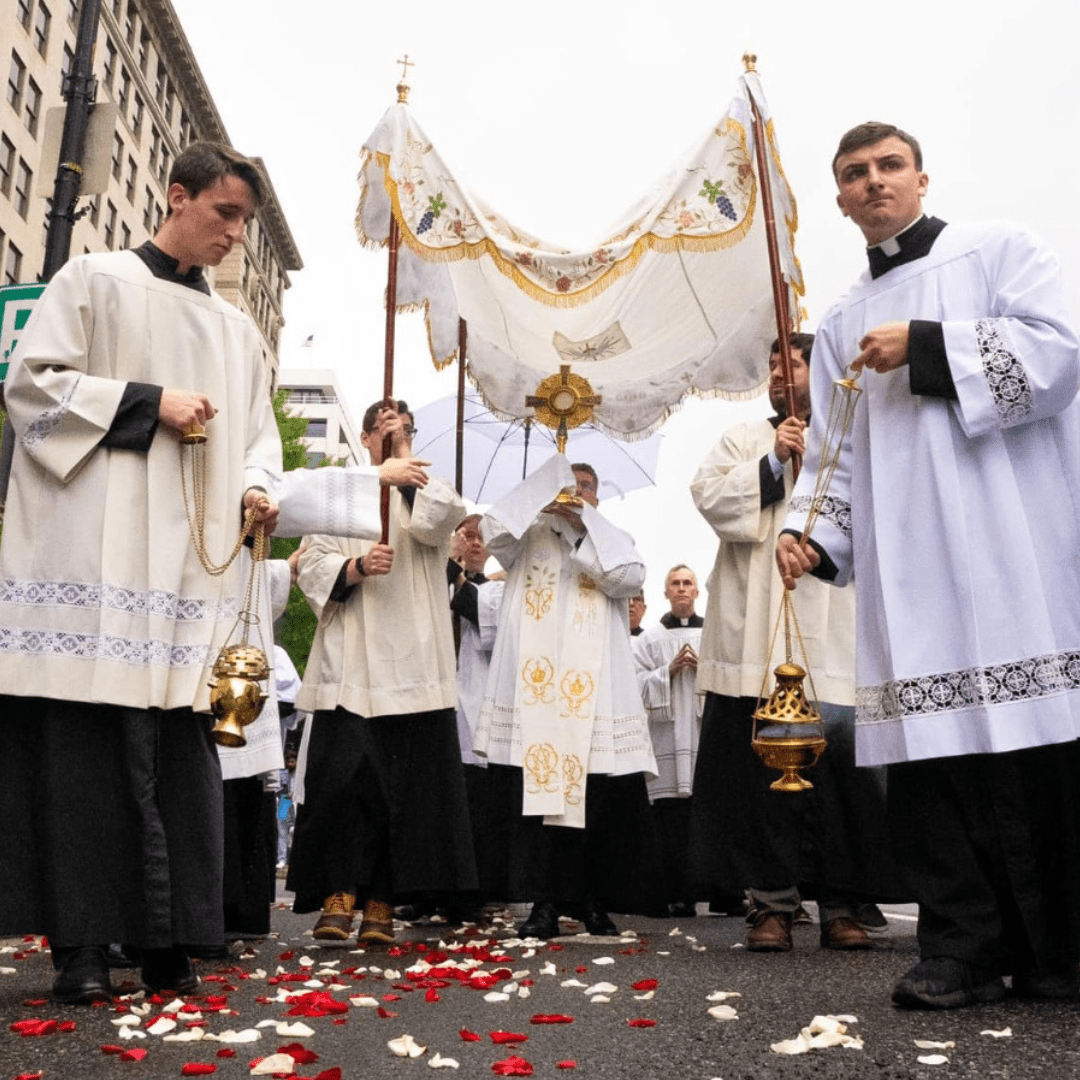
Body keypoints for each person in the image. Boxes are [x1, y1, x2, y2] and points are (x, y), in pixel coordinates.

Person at [777, 122, 1080, 1009]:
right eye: (854, 174)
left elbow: (1060, 356)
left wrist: (927, 344)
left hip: (1014, 547)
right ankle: (958, 952)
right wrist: (813, 533)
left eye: (889, 167)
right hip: (910, 572)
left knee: (1035, 753)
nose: (874, 183)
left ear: (920, 177)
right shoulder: (835, 323)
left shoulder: (1000, 252)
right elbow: (834, 453)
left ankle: (1059, 952)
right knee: (933, 765)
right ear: (838, 199)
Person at [0, 142, 283, 1003]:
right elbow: (31, 386)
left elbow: (261, 439)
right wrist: (145, 402)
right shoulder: (92, 280)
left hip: (190, 575)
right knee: (84, 761)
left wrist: (259, 487)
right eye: (225, 213)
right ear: (177, 196)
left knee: (179, 757)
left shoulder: (239, 333)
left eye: (245, 222)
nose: (235, 235)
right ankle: (81, 950)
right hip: (94, 554)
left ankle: (168, 945)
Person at [690, 333, 897, 954]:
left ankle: (840, 904)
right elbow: (712, 500)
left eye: (796, 360)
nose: (782, 371)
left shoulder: (853, 434)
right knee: (762, 781)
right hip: (761, 630)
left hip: (834, 625)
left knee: (840, 782)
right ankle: (772, 906)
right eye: (774, 362)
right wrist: (773, 464)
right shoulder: (744, 439)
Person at [286, 399, 477, 945]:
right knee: (344, 784)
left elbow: (444, 518)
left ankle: (382, 901)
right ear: (366, 438)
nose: (397, 439)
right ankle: (337, 893)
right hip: (351, 661)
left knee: (403, 791)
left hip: (412, 660)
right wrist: (356, 565)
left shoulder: (428, 489)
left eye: (408, 431)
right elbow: (315, 561)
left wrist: (406, 462)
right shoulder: (341, 488)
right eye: (388, 432)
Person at [474, 456, 661, 938]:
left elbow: (628, 579)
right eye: (568, 486)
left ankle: (593, 902)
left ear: (597, 497)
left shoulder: (614, 539)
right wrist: (542, 485)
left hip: (593, 693)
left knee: (594, 800)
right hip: (536, 692)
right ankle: (544, 904)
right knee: (537, 804)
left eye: (584, 487)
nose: (575, 494)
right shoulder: (527, 535)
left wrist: (582, 530)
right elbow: (490, 528)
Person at [632, 564, 704, 916]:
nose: (681, 589)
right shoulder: (650, 639)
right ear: (665, 592)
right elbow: (634, 684)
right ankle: (677, 892)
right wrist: (667, 672)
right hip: (666, 740)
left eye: (687, 583)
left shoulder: (715, 632)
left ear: (697, 591)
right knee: (670, 820)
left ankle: (723, 893)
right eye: (674, 583)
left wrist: (703, 667)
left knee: (706, 816)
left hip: (702, 737)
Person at [448, 514, 508, 911]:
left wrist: (453, 574)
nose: (473, 543)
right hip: (438, 703)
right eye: (466, 536)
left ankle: (477, 892)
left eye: (480, 538)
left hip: (475, 704)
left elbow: (479, 615)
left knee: (476, 807)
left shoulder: (498, 591)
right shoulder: (435, 584)